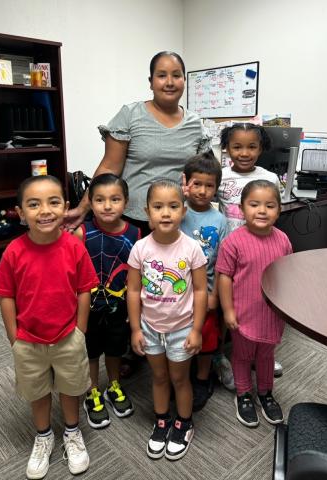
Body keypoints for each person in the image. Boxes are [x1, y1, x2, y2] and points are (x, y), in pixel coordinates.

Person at [0, 175, 99, 480]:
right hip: (28, 340)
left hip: (68, 336)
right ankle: (43, 435)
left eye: (53, 202)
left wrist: (80, 331)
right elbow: (6, 295)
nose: (45, 211)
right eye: (34, 204)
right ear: (21, 213)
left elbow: (84, 289)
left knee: (71, 386)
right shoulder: (13, 251)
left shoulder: (74, 247)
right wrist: (14, 337)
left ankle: (72, 433)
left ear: (65, 207)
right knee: (36, 390)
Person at [64, 50, 211, 235]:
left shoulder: (195, 124)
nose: (170, 82)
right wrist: (82, 209)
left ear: (184, 80)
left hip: (175, 220)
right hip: (132, 221)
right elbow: (109, 168)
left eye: (176, 75)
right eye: (162, 75)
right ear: (151, 82)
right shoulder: (131, 115)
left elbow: (201, 173)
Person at [127, 179, 207, 460]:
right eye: (158, 207)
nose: (165, 213)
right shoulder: (140, 249)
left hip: (181, 328)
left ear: (183, 211)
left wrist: (197, 329)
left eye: (173, 206)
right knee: (159, 377)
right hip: (150, 328)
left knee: (180, 379)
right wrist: (136, 328)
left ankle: (184, 423)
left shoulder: (192, 248)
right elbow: (134, 290)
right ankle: (161, 420)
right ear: (147, 211)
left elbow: (200, 290)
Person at [216, 179, 292, 428]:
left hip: (271, 314)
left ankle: (266, 393)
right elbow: (224, 278)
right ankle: (244, 394)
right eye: (254, 204)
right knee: (242, 355)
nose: (262, 210)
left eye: (269, 205)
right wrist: (228, 310)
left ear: (278, 210)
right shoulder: (233, 242)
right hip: (243, 313)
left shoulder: (283, 240)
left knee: (266, 355)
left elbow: (288, 274)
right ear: (241, 208)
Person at [217, 122, 284, 378]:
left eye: (251, 147)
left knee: (259, 303)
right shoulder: (221, 176)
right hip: (227, 252)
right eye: (237, 147)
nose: (244, 153)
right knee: (226, 307)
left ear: (261, 148)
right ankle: (220, 357)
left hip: (257, 252)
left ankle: (262, 353)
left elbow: (274, 210)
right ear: (227, 148)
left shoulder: (269, 178)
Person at [74, 173, 141, 429]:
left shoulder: (135, 233)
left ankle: (114, 385)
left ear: (126, 202)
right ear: (90, 202)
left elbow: (137, 275)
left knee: (115, 348)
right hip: (87, 306)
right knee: (90, 351)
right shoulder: (82, 233)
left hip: (119, 305)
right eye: (100, 200)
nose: (107, 205)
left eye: (115, 199)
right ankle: (92, 391)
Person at [180, 152, 232, 411]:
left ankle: (202, 378)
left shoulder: (219, 220)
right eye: (196, 184)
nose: (202, 190)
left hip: (207, 291)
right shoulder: (177, 212)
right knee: (180, 336)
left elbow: (222, 260)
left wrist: (214, 295)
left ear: (216, 188)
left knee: (207, 338)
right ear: (185, 183)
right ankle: (180, 378)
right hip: (177, 293)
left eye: (209, 185)